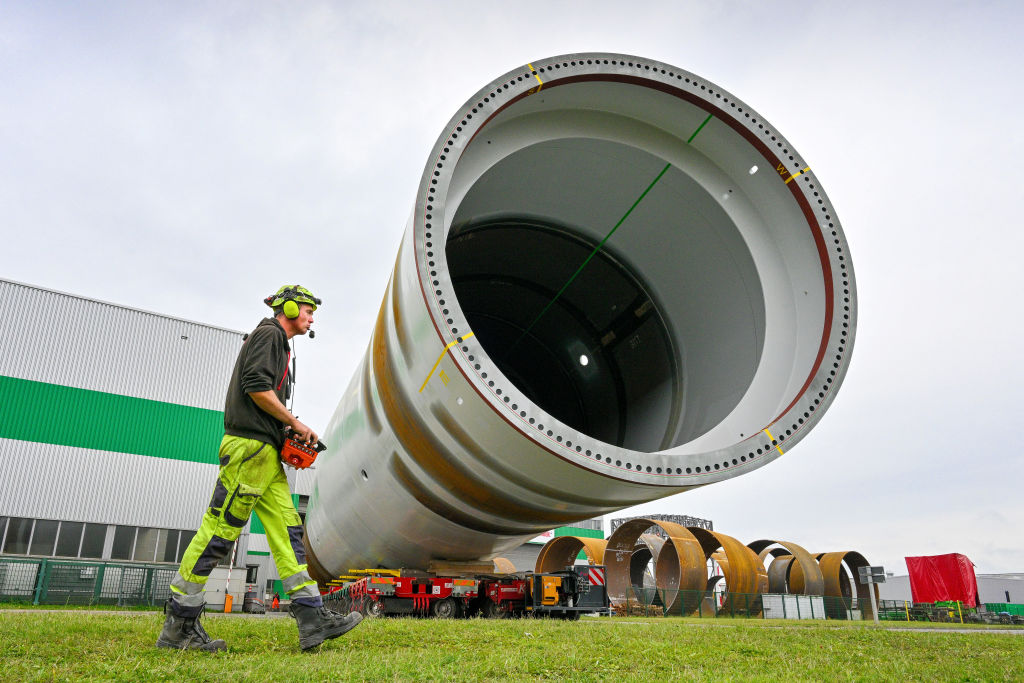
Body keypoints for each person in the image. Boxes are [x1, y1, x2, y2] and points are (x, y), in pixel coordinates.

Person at [156, 285, 363, 652]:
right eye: (308, 310)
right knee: (220, 531)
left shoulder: (280, 344)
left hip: (264, 454)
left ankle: (311, 617)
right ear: (288, 307)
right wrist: (296, 425)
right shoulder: (270, 334)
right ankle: (179, 625)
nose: (312, 318)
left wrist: (283, 433)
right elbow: (255, 387)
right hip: (249, 451)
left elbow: (262, 396)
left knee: (288, 531)